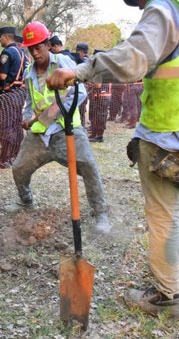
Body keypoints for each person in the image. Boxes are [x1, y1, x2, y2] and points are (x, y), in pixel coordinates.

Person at [48, 0, 179, 319]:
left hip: (167, 131)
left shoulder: (165, 8)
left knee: (163, 215)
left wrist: (82, 70)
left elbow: (134, 57)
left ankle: (167, 298)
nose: (140, 4)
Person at [7, 21, 111, 235]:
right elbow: (30, 101)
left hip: (67, 130)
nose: (35, 52)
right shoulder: (29, 73)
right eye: (31, 48)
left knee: (89, 167)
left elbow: (80, 92)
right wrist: (27, 118)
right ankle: (26, 200)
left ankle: (100, 213)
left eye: (39, 47)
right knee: (19, 168)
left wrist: (57, 108)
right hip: (40, 133)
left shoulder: (63, 62)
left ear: (47, 44)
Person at [0, 26, 26, 168]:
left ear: (6, 37)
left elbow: (3, 76)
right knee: (16, 125)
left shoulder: (7, 52)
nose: (0, 40)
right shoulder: (23, 53)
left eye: (1, 37)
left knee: (4, 126)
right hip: (19, 93)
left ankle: (5, 158)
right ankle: (15, 154)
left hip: (7, 94)